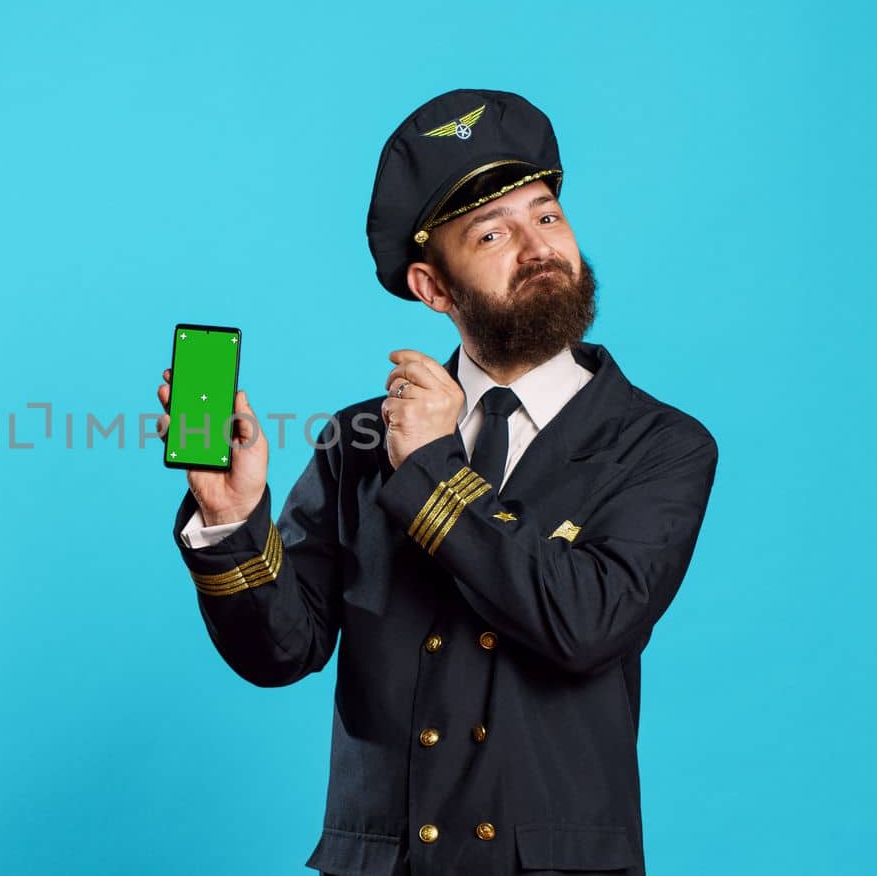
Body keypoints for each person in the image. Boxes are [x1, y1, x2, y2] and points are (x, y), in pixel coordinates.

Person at [154, 89, 718, 876]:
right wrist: (232, 515)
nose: (537, 246)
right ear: (433, 288)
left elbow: (586, 623)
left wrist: (428, 469)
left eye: (547, 215)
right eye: (493, 233)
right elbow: (283, 651)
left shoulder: (661, 444)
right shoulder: (358, 439)